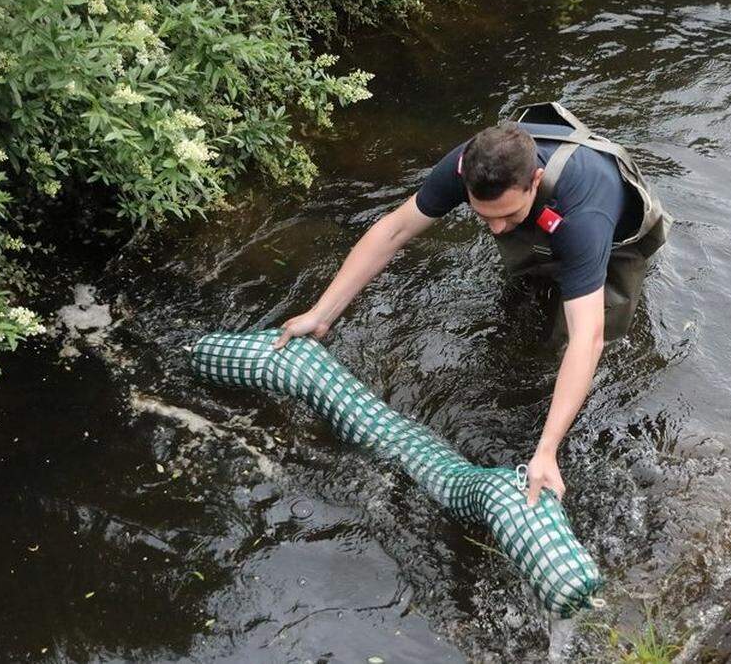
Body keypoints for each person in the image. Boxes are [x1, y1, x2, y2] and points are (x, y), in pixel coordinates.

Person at [272, 102, 670, 508]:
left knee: (568, 339)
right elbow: (393, 230)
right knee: (521, 300)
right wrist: (320, 315)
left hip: (615, 240)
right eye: (484, 216)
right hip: (548, 220)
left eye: (506, 215)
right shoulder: (468, 165)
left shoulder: (586, 218)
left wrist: (547, 449)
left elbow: (589, 339)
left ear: (535, 180)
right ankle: (535, 253)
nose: (496, 229)